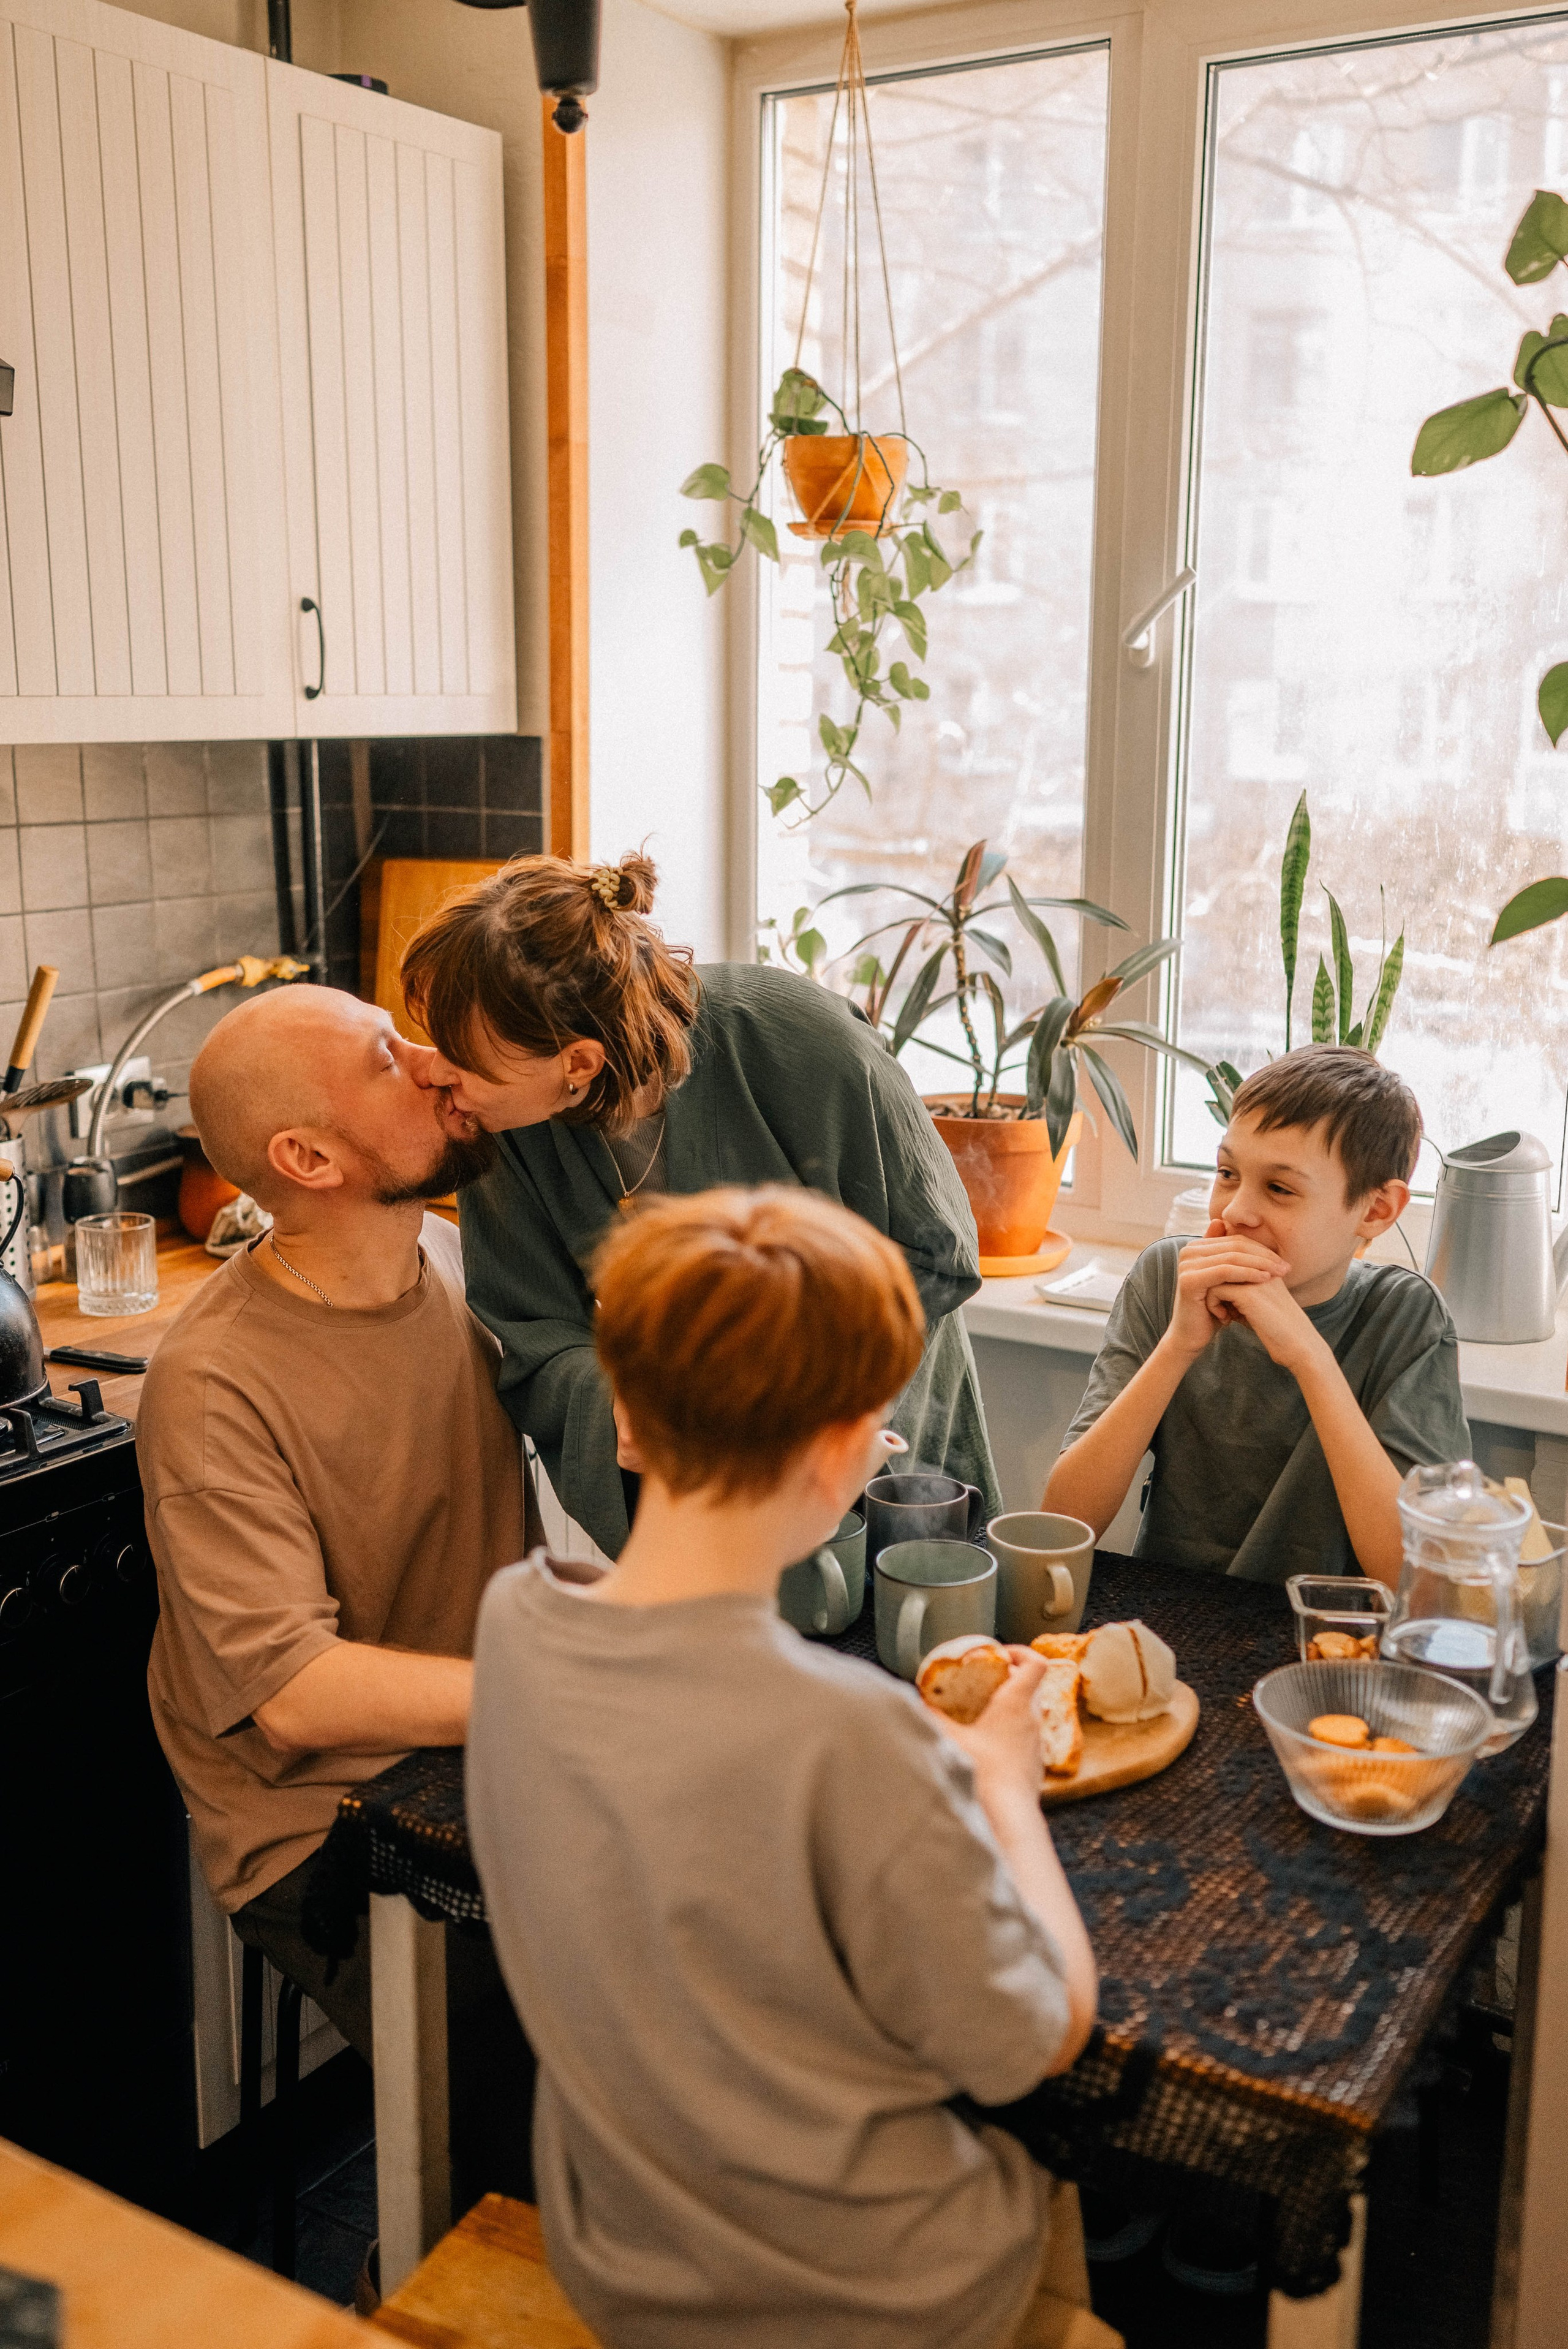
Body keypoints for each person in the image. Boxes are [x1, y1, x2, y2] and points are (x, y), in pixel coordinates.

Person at [467, 1186, 1114, 2349]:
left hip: (622, 2259)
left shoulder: (514, 1622)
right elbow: (1028, 2042)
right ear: (838, 1456)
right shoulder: (854, 1734)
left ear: (625, 1421)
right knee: (1053, 2184)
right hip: (868, 2299)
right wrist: (1002, 1783)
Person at [138, 983, 542, 2190]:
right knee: (525, 2079)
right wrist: (564, 1687)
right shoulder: (214, 1388)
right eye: (385, 1058)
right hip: (315, 1822)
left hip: (476, 1758)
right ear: (305, 1156)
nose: (430, 1061)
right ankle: (439, 2284)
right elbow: (301, 1698)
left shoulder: (456, 1263)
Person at [398, 850, 1000, 1559]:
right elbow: (530, 1335)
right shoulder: (503, 1126)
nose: (434, 1072)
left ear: (578, 1064)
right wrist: (619, 1399)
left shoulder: (804, 1043)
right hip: (693, 1504)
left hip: (882, 1466)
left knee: (911, 1646)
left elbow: (934, 1251)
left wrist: (795, 1403)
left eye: (464, 1058)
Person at [1046, 1046, 1469, 1585]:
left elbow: (1416, 1580)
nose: (1235, 1211)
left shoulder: (1406, 1318)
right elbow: (1060, 1527)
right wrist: (1179, 1345)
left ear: (1376, 1210)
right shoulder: (1166, 1278)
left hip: (1331, 1641)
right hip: (1173, 1618)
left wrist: (1310, 1356)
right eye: (1227, 1173)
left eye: (1279, 1188)